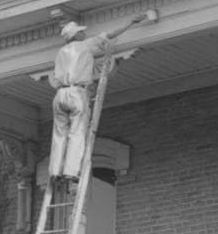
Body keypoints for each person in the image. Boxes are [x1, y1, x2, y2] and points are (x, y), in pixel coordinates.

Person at [49, 11, 158, 179]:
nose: (84, 32)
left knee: (59, 134)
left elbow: (56, 77)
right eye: (81, 31)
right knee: (77, 132)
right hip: (77, 92)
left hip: (60, 95)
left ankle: (55, 171)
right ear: (76, 35)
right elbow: (110, 34)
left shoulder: (60, 53)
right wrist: (131, 22)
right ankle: (71, 171)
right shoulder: (84, 45)